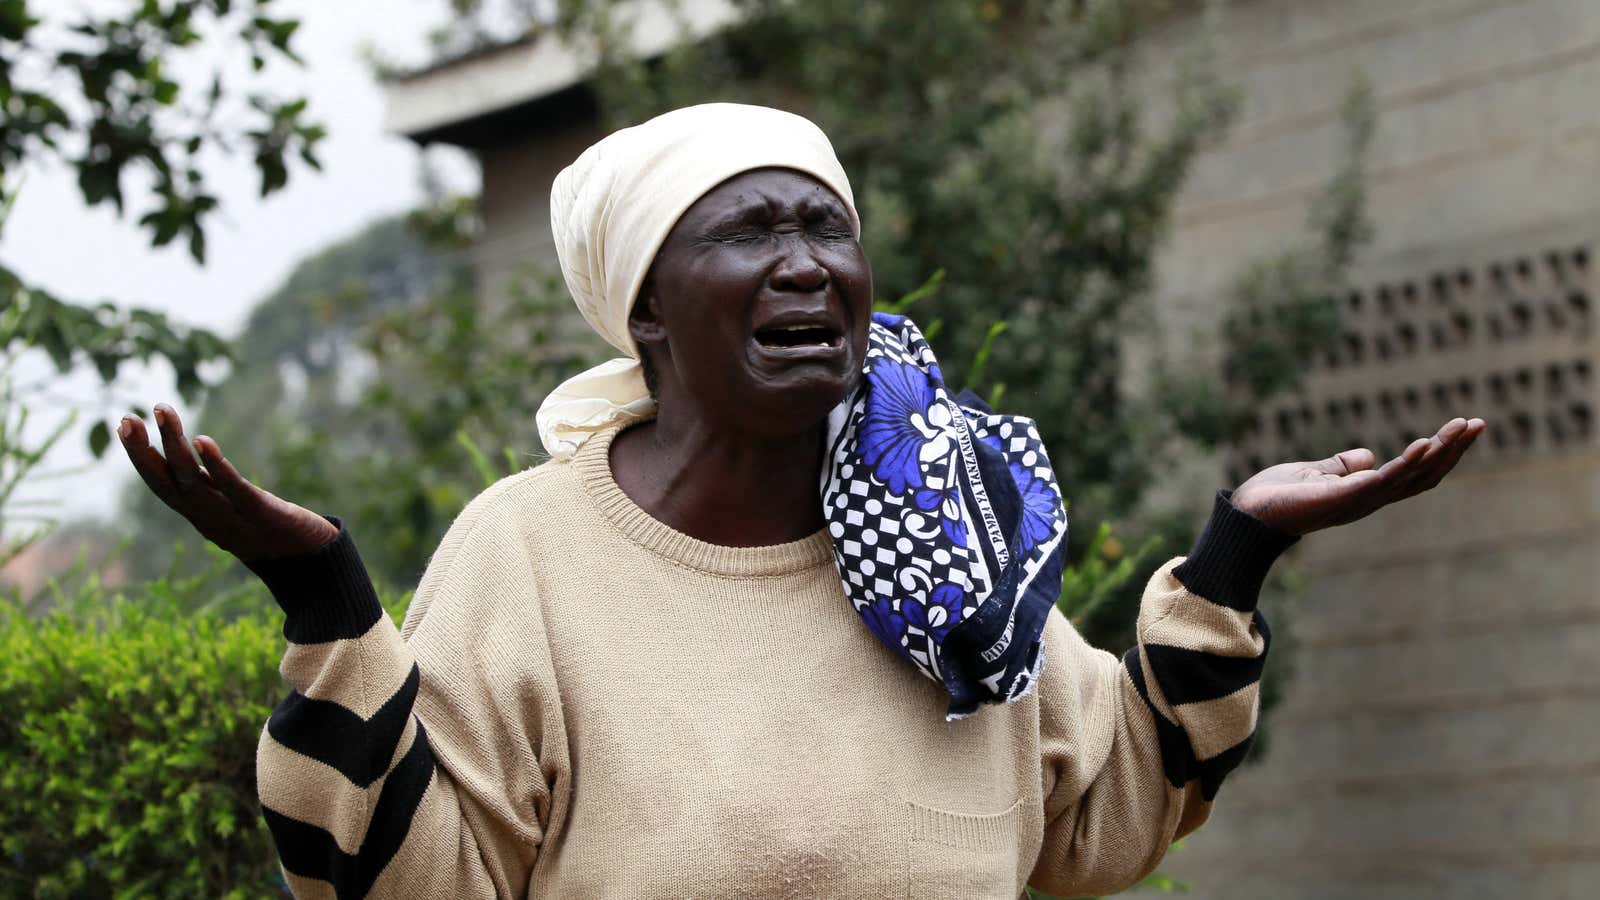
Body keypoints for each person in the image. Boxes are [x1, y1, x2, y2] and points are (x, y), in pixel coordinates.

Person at [120, 103, 1484, 899]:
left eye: (824, 227)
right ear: (647, 309)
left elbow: (1109, 810)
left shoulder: (947, 532)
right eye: (748, 234)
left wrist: (1235, 552)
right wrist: (327, 605)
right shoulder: (531, 554)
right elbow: (406, 884)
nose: (805, 266)